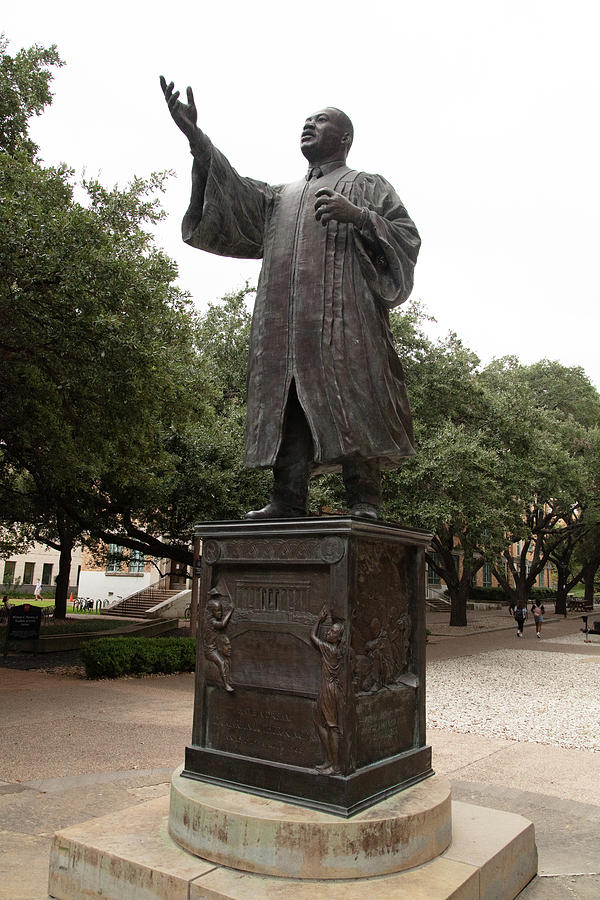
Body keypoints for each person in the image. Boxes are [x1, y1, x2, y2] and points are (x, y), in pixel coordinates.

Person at [160, 80, 421, 520]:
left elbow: (407, 238)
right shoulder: (279, 197)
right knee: (287, 403)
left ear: (344, 138)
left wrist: (358, 216)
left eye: (321, 121)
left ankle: (365, 500)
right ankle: (287, 497)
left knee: (353, 397)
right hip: (282, 323)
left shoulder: (367, 185)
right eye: (306, 120)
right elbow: (232, 191)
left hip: (345, 320)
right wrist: (196, 139)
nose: (309, 124)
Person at [310, 606, 345, 775]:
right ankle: (329, 759)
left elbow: (312, 637)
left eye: (332, 632)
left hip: (329, 689)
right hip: (327, 687)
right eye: (330, 630)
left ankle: (336, 765)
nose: (328, 633)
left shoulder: (329, 649)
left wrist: (318, 620)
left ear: (338, 638)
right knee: (318, 721)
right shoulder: (336, 650)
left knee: (332, 727)